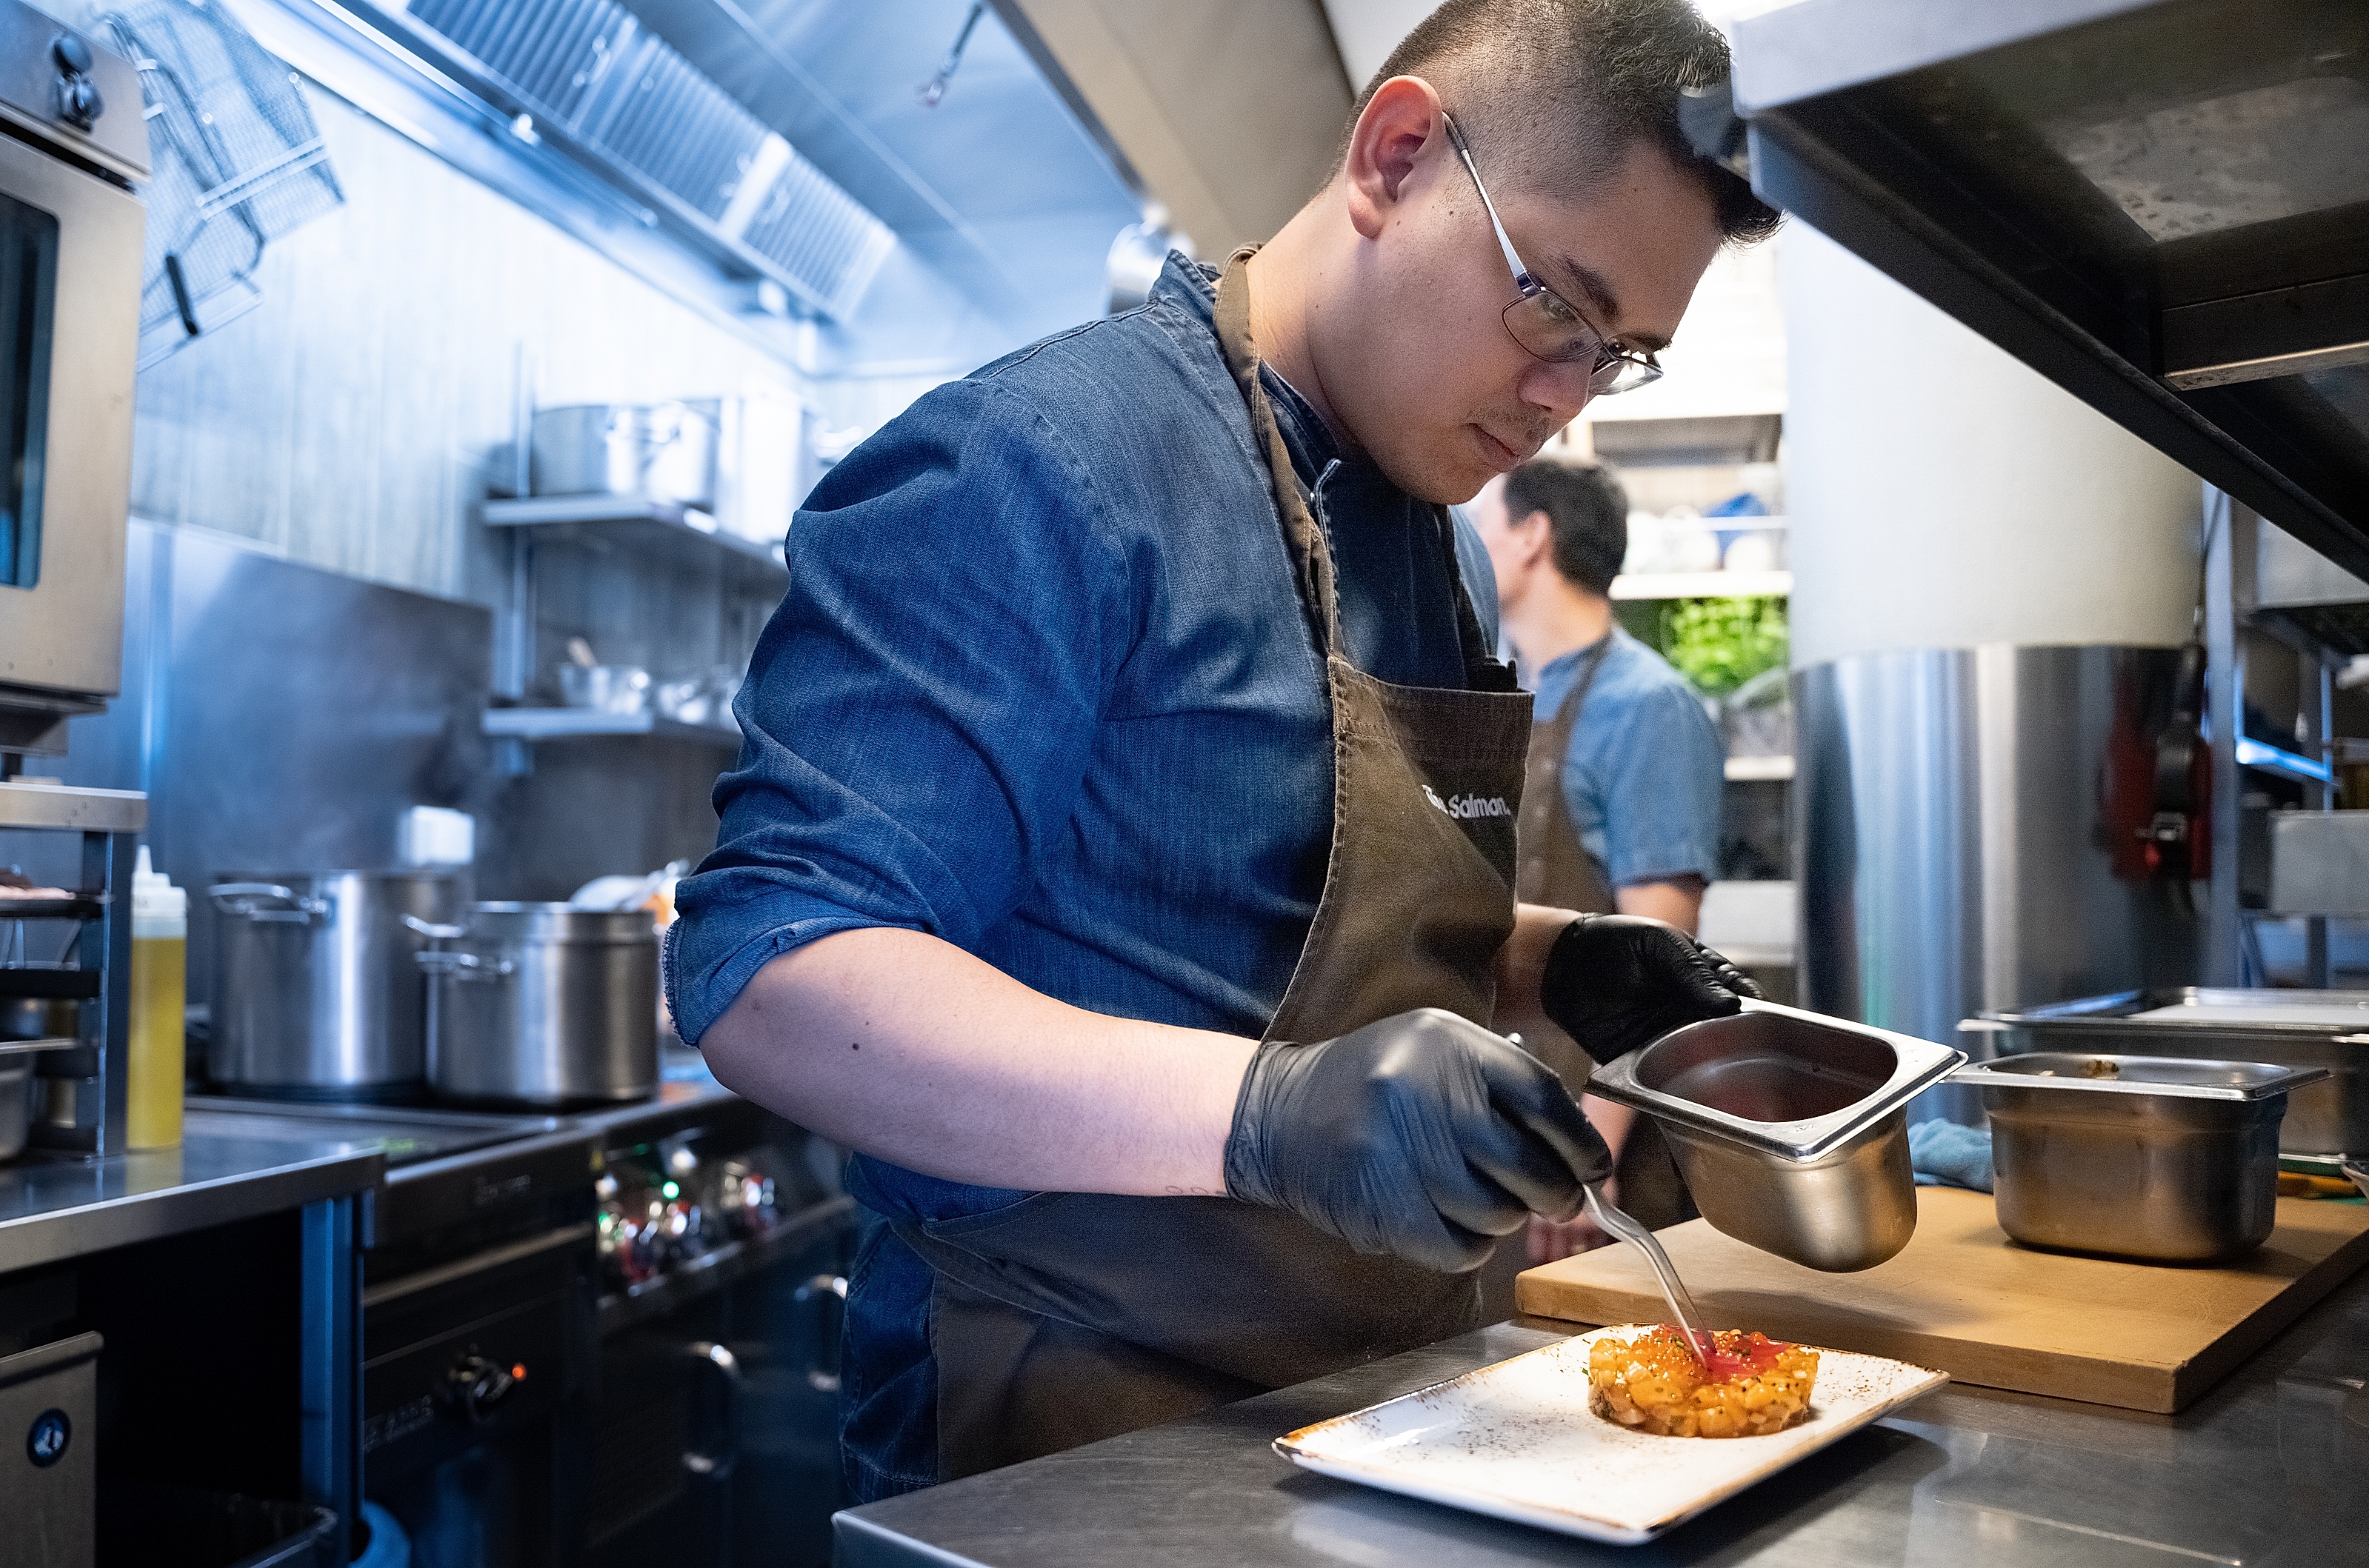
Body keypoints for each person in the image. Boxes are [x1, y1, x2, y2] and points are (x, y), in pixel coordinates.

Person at [669, 0, 1778, 1502]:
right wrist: (1270, 1116)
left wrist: (1549, 959)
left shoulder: (1427, 540)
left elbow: (1236, 899)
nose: (1564, 403)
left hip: (1390, 1420)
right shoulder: (1039, 462)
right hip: (1067, 1437)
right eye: (1553, 312)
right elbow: (773, 974)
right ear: (1394, 156)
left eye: (1620, 358)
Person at [1470, 456, 1728, 1261]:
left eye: (1483, 522)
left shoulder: (1647, 705)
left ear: (1531, 538)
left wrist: (1594, 1151)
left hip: (1602, 1151)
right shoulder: (1501, 693)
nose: (1465, 543)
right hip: (1515, 1122)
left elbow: (1657, 960)